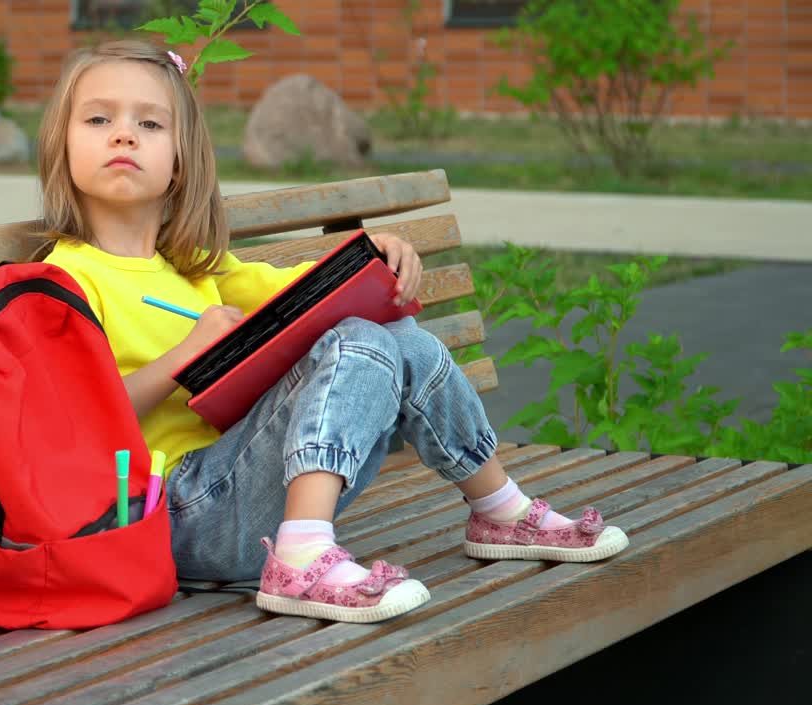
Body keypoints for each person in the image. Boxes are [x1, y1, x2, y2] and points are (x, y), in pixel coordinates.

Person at [34, 40, 628, 623]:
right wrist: (185, 356)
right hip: (171, 515)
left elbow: (307, 290)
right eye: (98, 118)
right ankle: (302, 560)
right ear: (62, 146)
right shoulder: (65, 279)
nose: (123, 134)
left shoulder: (195, 267)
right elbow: (75, 421)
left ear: (181, 159)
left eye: (150, 123)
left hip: (243, 496)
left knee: (396, 336)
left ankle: (498, 509)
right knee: (358, 342)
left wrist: (378, 256)